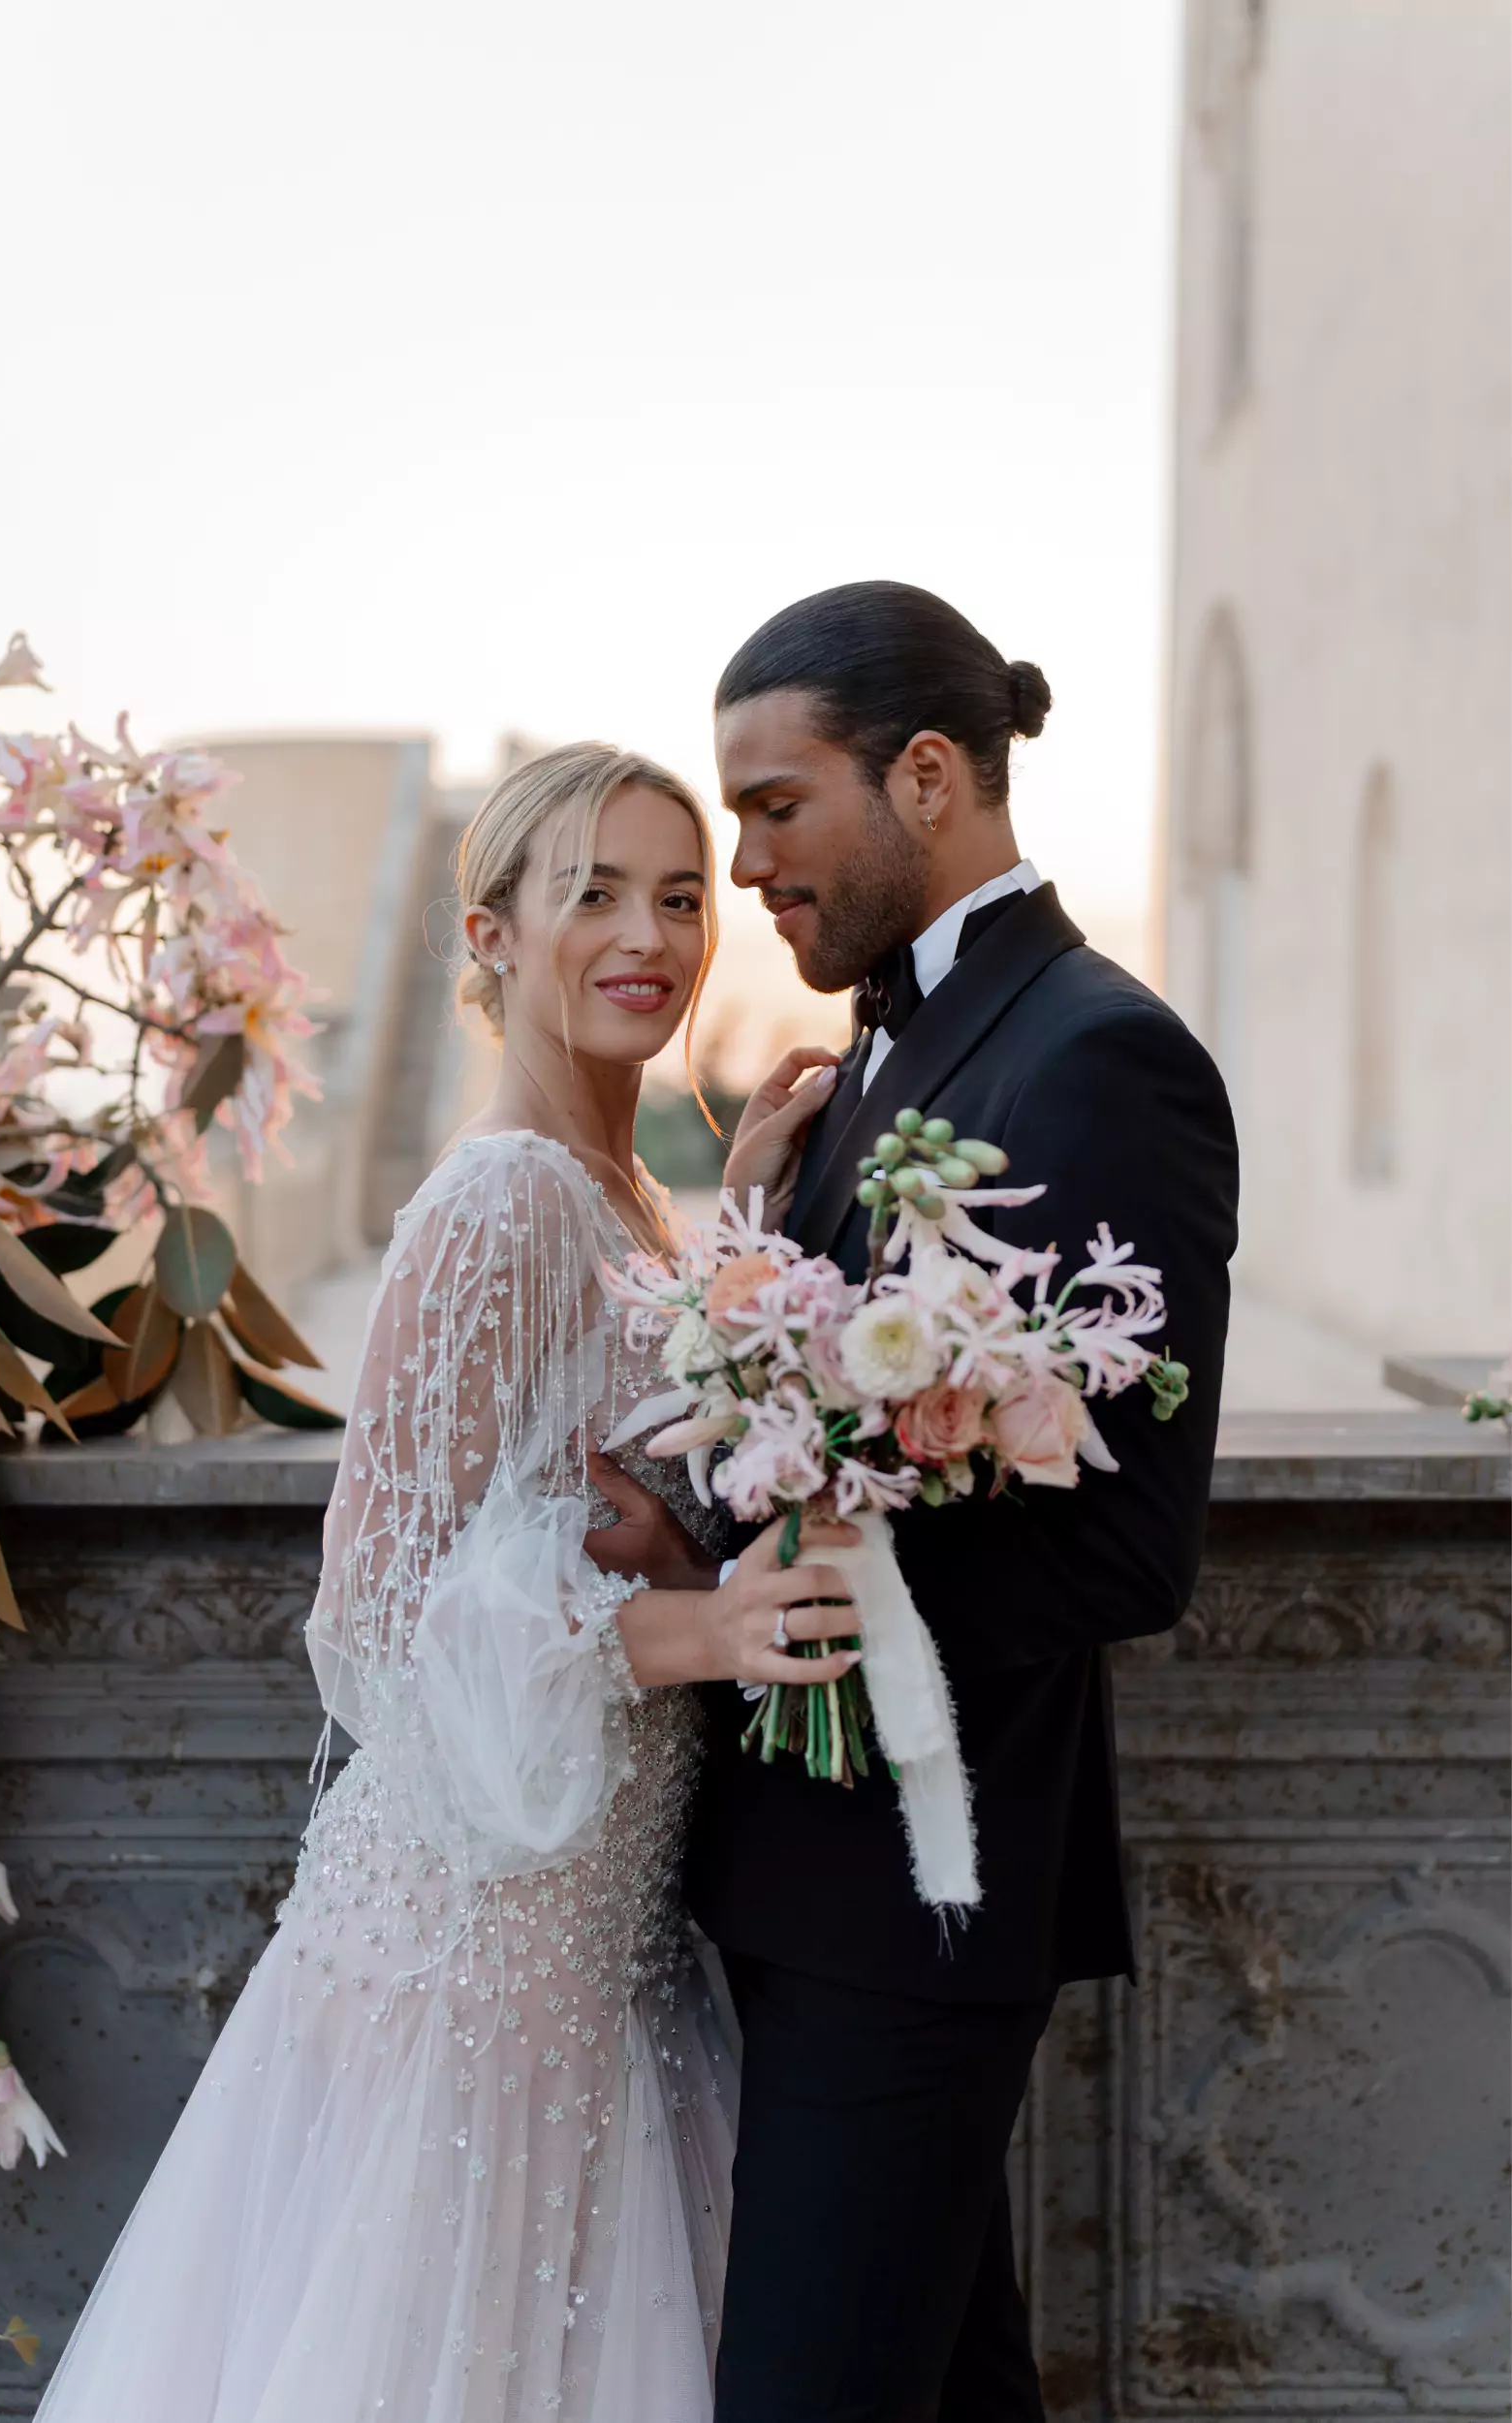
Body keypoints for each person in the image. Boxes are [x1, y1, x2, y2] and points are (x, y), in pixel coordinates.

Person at [36, 742, 856, 2423]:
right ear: (489, 935)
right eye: (593, 893)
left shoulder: (628, 1199)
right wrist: (698, 1628)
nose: (650, 934)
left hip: (596, 1922)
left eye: (681, 895)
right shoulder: (491, 1204)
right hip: (479, 1943)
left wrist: (755, 1213)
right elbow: (382, 1617)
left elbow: (603, 1445)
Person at [585, 582, 1240, 2423]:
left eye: (775, 805)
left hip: (916, 1899)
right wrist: (708, 1523)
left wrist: (796, 1605)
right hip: (799, 1889)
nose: (747, 864)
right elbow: (827, 1415)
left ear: (928, 774)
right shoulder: (877, 1052)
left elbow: (1127, 1542)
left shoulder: (1100, 1053)